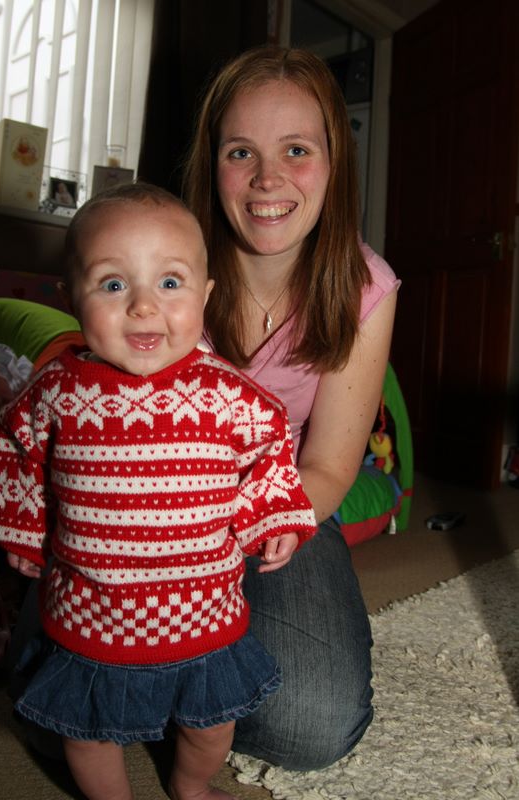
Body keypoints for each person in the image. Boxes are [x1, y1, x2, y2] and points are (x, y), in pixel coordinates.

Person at [0, 181, 317, 800]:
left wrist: (274, 516)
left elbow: (272, 444)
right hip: (90, 617)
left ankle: (190, 788)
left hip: (203, 617)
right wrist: (24, 527)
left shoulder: (229, 394)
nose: (143, 307)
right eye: (114, 284)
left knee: (211, 728)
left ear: (205, 295)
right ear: (70, 297)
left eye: (169, 282)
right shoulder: (56, 390)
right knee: (85, 735)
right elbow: (14, 442)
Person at [181, 45, 400, 771]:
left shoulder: (367, 287)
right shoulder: (167, 261)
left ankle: (168, 698)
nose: (267, 178)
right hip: (152, 508)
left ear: (335, 163)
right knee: (52, 692)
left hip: (285, 504)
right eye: (241, 152)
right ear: (212, 164)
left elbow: (330, 466)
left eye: (297, 150)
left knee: (316, 723)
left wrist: (239, 536)